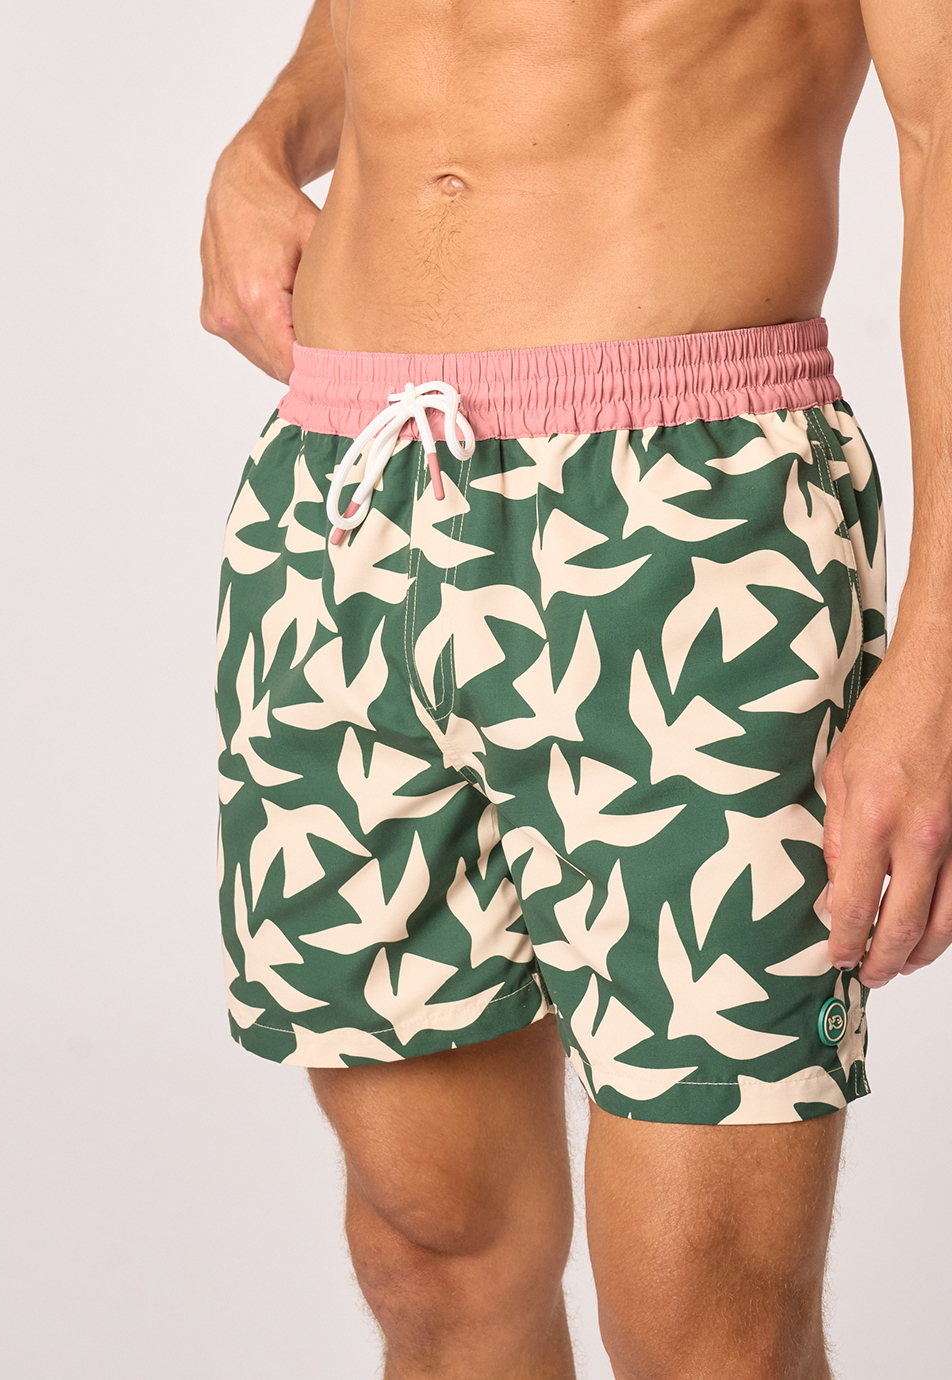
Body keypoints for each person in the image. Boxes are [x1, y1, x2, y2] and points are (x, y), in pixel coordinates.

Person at [201, 2, 952, 1375]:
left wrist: (941, 664)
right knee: (433, 1250)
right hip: (350, 494)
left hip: (692, 517)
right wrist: (267, 140)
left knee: (709, 1325)